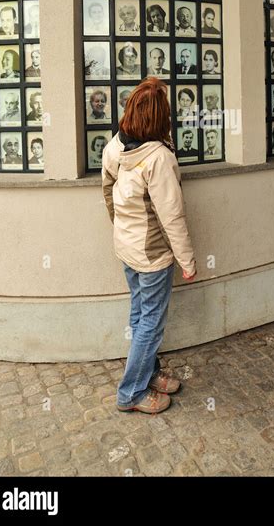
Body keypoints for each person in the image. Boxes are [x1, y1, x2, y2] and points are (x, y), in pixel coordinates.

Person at [101, 76, 197, 414]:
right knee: (151, 323)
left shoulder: (114, 145)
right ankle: (131, 393)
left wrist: (122, 227)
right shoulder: (158, 158)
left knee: (141, 314)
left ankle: (149, 372)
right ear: (160, 118)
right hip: (153, 255)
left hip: (126, 247)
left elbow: (107, 192)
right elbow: (173, 217)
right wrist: (188, 261)